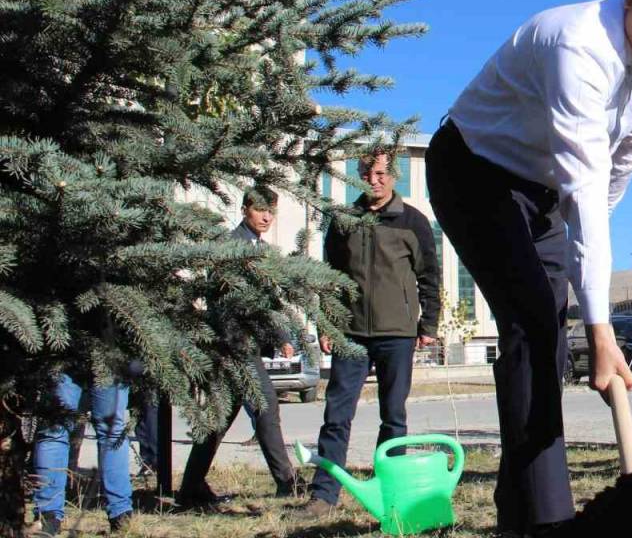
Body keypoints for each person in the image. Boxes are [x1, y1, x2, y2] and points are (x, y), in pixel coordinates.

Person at [426, 0, 632, 536]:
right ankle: (550, 521)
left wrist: (583, 256)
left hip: (541, 193)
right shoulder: (577, 46)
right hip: (474, 171)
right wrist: (603, 331)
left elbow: (623, 160)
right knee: (536, 323)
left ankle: (519, 513)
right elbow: (583, 189)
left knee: (547, 341)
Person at [301, 149, 441, 516]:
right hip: (349, 333)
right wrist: (326, 322)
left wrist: (429, 325)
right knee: (336, 415)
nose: (373, 180)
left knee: (393, 416)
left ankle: (391, 489)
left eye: (381, 173)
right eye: (366, 173)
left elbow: (429, 276)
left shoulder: (413, 221)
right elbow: (329, 277)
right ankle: (323, 495)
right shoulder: (344, 219)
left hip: (397, 333)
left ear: (394, 176)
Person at [177, 187, 303, 508]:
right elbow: (229, 303)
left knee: (219, 417)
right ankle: (287, 481)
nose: (266, 217)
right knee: (266, 406)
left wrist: (282, 336)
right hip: (236, 345)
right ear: (245, 209)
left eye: (271, 211)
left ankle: (191, 487)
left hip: (243, 345)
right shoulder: (233, 248)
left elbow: (267, 302)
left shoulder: (257, 248)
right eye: (260, 209)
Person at [32, 374, 133, 534]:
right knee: (111, 431)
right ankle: (121, 516)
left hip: (68, 356)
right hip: (108, 356)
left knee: (54, 430)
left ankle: (47, 516)